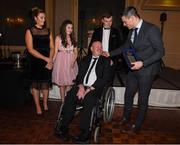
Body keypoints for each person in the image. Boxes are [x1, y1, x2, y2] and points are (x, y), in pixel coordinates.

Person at [104, 6, 165, 133]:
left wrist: (143, 63)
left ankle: (137, 125)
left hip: (147, 71)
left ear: (132, 18)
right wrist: (110, 53)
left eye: (125, 22)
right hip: (133, 69)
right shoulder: (132, 30)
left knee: (142, 99)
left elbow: (160, 52)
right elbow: (126, 46)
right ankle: (125, 118)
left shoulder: (151, 29)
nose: (124, 25)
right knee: (128, 94)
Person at [56, 41, 114, 143]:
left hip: (94, 88)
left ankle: (85, 132)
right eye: (97, 47)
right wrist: (81, 87)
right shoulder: (85, 59)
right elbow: (79, 76)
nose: (100, 48)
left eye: (101, 47)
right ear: (91, 49)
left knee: (89, 100)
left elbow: (105, 78)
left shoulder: (106, 61)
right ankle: (63, 126)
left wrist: (90, 88)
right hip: (82, 86)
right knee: (70, 96)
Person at [25, 7, 54, 115]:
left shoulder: (48, 31)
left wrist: (50, 60)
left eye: (44, 17)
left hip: (47, 60)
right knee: (36, 85)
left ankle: (45, 103)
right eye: (41, 17)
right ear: (35, 18)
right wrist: (45, 59)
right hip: (35, 61)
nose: (44, 19)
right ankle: (37, 106)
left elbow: (52, 47)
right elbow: (30, 49)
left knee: (45, 84)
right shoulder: (30, 31)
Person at [52, 19, 78, 103]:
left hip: (71, 61)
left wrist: (73, 62)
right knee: (62, 84)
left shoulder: (73, 38)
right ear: (64, 28)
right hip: (61, 62)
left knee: (69, 84)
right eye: (68, 27)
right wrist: (51, 62)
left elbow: (76, 52)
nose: (70, 29)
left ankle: (68, 101)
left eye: (71, 28)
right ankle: (63, 102)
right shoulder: (58, 38)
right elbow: (55, 52)